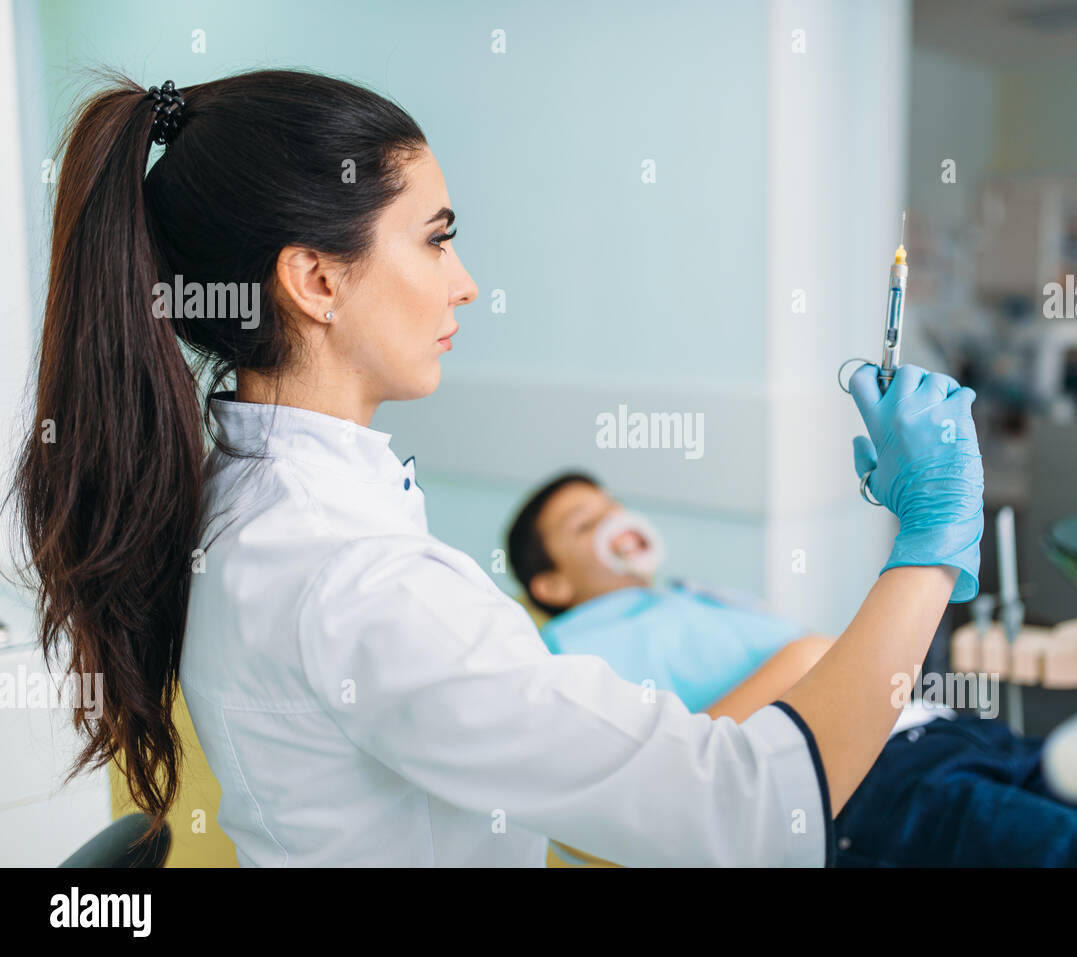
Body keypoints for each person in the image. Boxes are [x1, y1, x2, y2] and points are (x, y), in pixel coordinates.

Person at [11, 68, 984, 867]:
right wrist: (930, 543)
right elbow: (749, 809)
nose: (465, 281)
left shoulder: (247, 504)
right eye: (435, 239)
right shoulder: (357, 580)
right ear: (315, 280)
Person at [506, 472, 1077, 866]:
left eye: (611, 505)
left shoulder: (697, 596)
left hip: (941, 729)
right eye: (583, 523)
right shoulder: (574, 646)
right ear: (550, 583)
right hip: (864, 784)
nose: (613, 522)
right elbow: (659, 785)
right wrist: (801, 665)